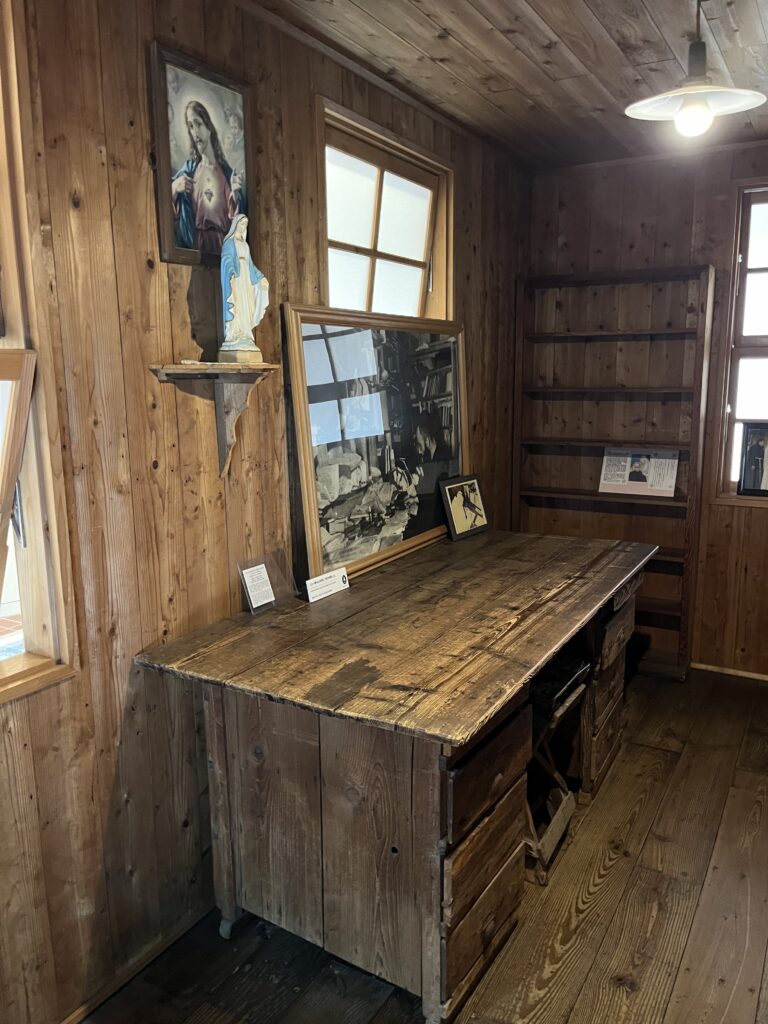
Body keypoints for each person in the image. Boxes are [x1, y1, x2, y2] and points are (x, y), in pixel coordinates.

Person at [171, 100, 245, 255]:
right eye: (190, 126)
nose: (195, 132)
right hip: (197, 246)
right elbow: (167, 200)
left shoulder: (226, 173)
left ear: (209, 127)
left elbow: (237, 220)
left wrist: (236, 195)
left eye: (198, 124)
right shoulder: (190, 170)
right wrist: (174, 188)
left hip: (221, 250)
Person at [219, 214, 269, 360]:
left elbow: (251, 265)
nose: (243, 227)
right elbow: (226, 259)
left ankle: (245, 333)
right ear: (236, 225)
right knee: (238, 304)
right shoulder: (230, 243)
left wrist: (261, 278)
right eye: (241, 224)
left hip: (246, 278)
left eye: (245, 225)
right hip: (236, 278)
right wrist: (231, 270)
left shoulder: (245, 245)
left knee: (246, 305)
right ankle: (235, 332)